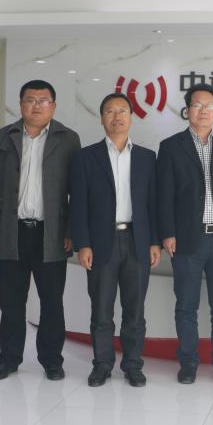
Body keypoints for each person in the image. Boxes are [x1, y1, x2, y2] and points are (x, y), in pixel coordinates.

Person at [0, 80, 81, 381]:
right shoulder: (3, 137)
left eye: (43, 100)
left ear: (53, 106)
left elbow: (77, 191)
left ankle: (52, 360)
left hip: (52, 235)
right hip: (11, 232)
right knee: (11, 303)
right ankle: (9, 359)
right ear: (21, 104)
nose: (36, 105)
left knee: (52, 303)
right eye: (30, 100)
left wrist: (71, 232)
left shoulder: (68, 138)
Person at [157, 83, 213, 385]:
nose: (203, 110)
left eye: (209, 105)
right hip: (186, 239)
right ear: (187, 110)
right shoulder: (171, 146)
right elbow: (164, 194)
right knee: (186, 306)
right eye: (197, 105)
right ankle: (188, 363)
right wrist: (167, 232)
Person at [70, 93, 161, 388]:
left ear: (131, 117)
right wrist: (83, 244)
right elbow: (78, 205)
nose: (117, 116)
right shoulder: (85, 157)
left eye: (122, 110)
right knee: (101, 310)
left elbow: (153, 203)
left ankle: (133, 365)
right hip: (101, 243)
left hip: (137, 240)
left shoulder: (147, 157)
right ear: (101, 118)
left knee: (135, 311)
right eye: (110, 111)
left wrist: (154, 242)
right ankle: (102, 365)